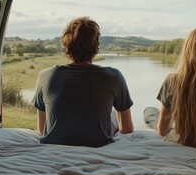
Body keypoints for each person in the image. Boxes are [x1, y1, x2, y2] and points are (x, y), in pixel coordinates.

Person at [33, 16, 134, 147]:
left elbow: (42, 130)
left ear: (65, 47)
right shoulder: (114, 76)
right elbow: (126, 129)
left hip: (55, 142)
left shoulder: (45, 76)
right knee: (114, 114)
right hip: (98, 143)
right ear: (96, 47)